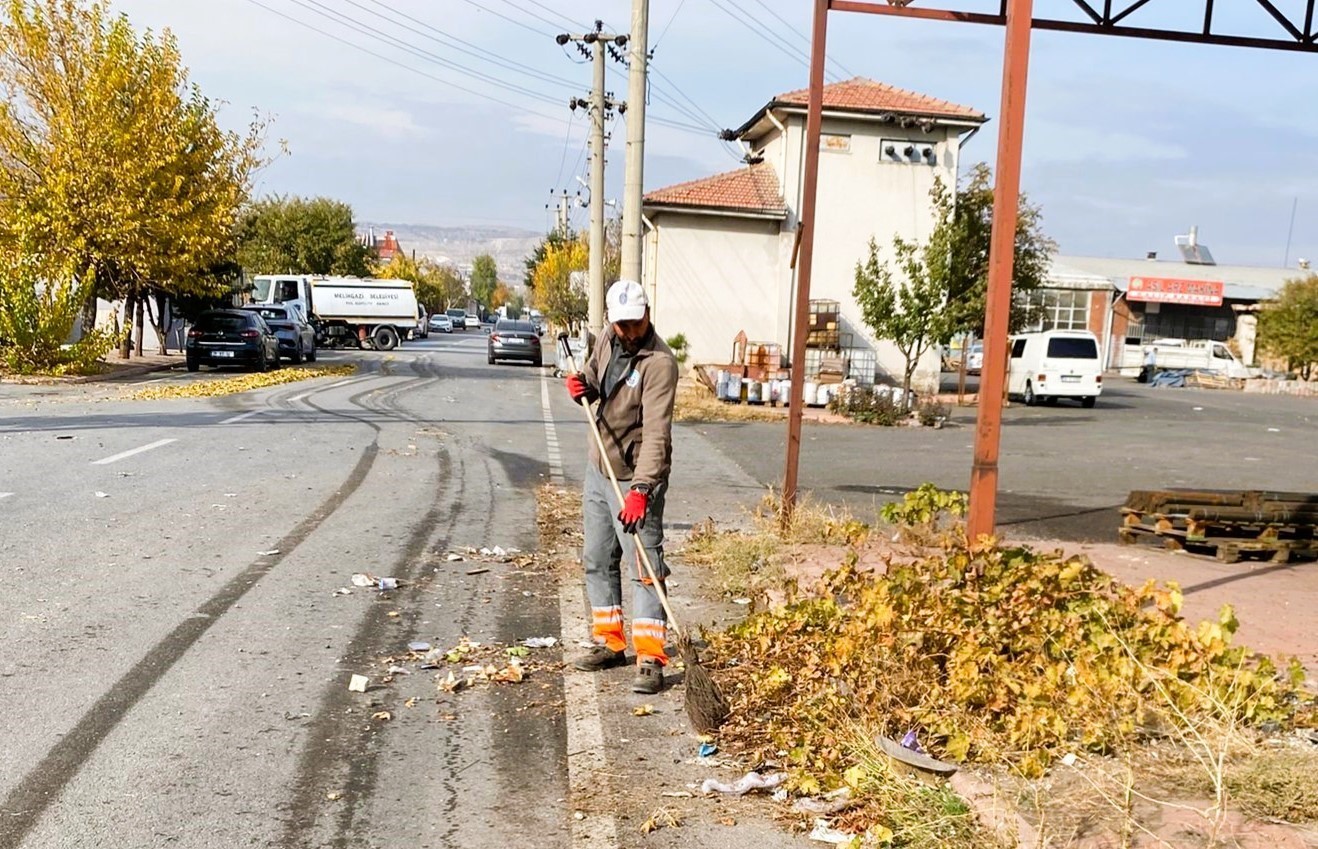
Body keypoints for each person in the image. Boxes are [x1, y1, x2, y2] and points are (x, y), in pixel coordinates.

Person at [564, 279, 679, 695]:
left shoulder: (659, 364)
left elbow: (656, 435)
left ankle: (650, 656)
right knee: (597, 557)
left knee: (645, 568)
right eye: (621, 325)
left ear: (647, 314)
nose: (629, 332)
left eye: (635, 323)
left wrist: (642, 489)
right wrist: (583, 387)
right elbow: (595, 379)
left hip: (635, 477)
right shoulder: (608, 341)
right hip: (600, 469)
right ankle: (610, 642)